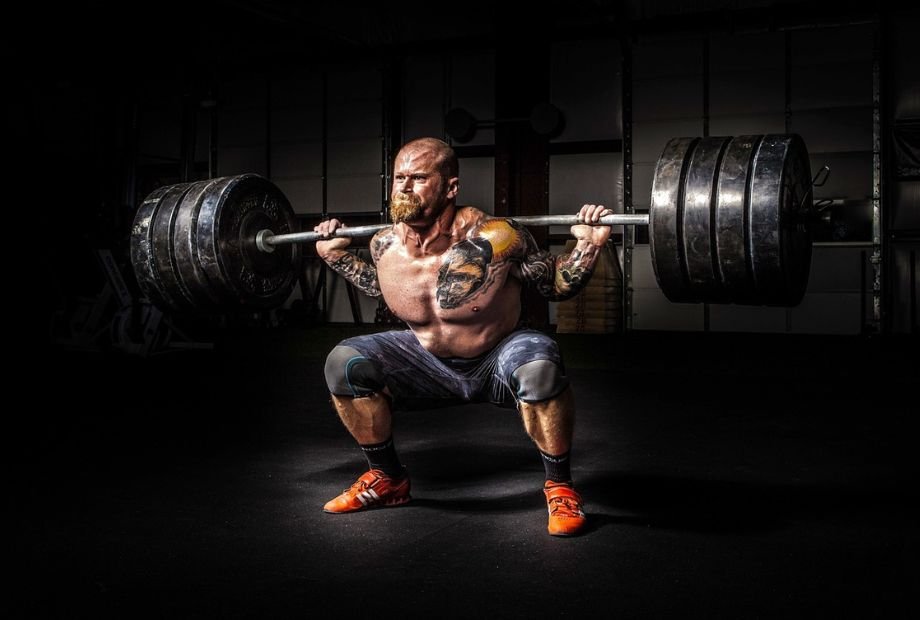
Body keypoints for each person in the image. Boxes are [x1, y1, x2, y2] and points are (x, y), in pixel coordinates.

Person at [314, 137, 612, 536]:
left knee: (540, 365)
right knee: (344, 363)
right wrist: (338, 257)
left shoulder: (500, 237)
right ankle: (387, 478)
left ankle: (560, 487)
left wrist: (588, 247)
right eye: (399, 177)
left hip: (495, 355)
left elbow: (554, 284)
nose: (404, 187)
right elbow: (382, 287)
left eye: (418, 178)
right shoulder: (383, 244)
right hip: (425, 362)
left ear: (450, 187)